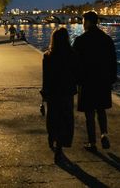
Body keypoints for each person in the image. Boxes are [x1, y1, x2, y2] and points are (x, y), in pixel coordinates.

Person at [73, 11, 117, 152]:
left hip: (87, 82)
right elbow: (113, 61)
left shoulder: (80, 40)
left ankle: (92, 143)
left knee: (89, 114)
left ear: (88, 22)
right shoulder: (107, 39)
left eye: (83, 21)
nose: (82, 23)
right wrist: (111, 79)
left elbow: (74, 62)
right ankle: (104, 134)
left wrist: (76, 80)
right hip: (103, 81)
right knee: (101, 110)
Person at [41, 27, 78, 163]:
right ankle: (60, 147)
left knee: (53, 116)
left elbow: (45, 77)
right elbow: (76, 74)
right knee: (65, 118)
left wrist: (44, 93)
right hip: (67, 91)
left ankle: (51, 136)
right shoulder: (73, 54)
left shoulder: (48, 56)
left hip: (53, 91)